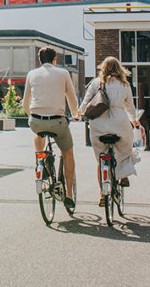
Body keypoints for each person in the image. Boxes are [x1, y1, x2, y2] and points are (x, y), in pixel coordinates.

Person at [22, 47, 80, 213]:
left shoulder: (32, 74)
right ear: (55, 60)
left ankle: (39, 160)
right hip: (57, 122)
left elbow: (26, 103)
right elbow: (71, 97)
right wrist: (76, 114)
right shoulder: (63, 73)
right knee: (68, 153)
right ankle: (69, 194)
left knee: (37, 131)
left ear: (40, 60)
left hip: (36, 121)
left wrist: (31, 116)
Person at [80, 56, 141, 207]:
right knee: (126, 148)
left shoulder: (96, 83)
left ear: (103, 68)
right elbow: (130, 107)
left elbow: (85, 103)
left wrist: (79, 113)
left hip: (98, 125)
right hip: (120, 123)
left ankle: (102, 193)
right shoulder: (124, 85)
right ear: (119, 69)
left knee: (101, 159)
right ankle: (124, 175)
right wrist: (133, 120)